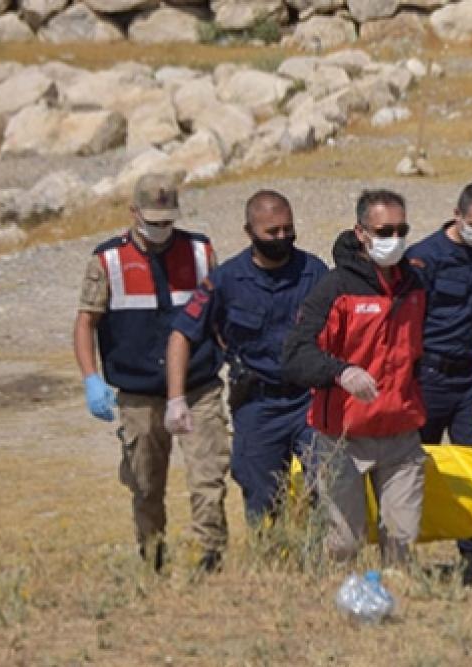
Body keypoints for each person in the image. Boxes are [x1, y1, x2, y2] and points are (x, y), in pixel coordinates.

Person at [72, 173, 230, 573]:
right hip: (139, 392)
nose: (161, 230)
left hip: (199, 386)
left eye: (167, 221)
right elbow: (86, 322)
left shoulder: (199, 251)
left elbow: (220, 314)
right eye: (153, 221)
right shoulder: (107, 260)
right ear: (134, 214)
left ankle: (210, 561)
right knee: (145, 485)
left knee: (208, 480)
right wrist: (92, 378)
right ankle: (153, 557)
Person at [165, 190, 329, 525]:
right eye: (272, 232)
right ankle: (269, 562)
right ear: (249, 232)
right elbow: (182, 333)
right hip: (258, 406)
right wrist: (176, 399)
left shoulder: (314, 272)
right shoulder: (226, 279)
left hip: (308, 402)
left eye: (287, 229)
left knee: (329, 485)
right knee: (261, 497)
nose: (282, 237)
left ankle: (323, 566)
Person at [281, 190, 427, 564]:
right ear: (361, 233)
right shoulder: (336, 288)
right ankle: (331, 602)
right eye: (384, 231)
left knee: (401, 541)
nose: (394, 239)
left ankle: (397, 603)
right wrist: (341, 371)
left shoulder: (417, 285)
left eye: (401, 229)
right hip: (343, 436)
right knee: (344, 543)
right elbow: (296, 354)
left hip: (400, 433)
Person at [403, 182, 472, 582]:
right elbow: (408, 322)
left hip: (471, 380)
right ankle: (402, 550)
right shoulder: (424, 259)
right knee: (410, 468)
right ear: (457, 215)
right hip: (429, 376)